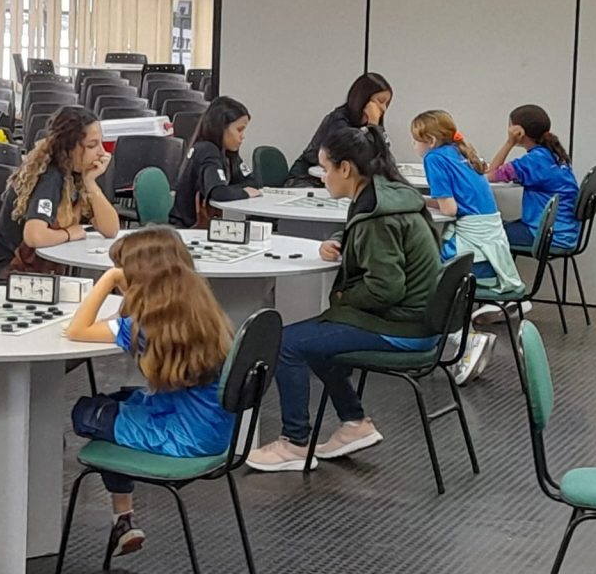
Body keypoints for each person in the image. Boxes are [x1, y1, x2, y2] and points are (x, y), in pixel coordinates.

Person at [246, 127, 440, 472]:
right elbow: (364, 236)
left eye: (325, 169)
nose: (322, 177)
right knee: (319, 337)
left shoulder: (377, 217)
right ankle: (354, 423)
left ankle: (295, 443)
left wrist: (341, 298)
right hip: (418, 318)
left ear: (346, 169)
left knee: (287, 344)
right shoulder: (388, 196)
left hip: (403, 326)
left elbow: (385, 289)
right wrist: (340, 240)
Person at [66, 226, 234, 560]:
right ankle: (123, 521)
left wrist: (108, 279)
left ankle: (124, 516)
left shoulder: (143, 326)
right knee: (117, 402)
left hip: (183, 437)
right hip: (213, 430)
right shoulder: (201, 311)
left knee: (88, 414)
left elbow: (77, 329)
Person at [411, 110, 522, 384]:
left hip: (474, 255)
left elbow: (449, 210)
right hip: (490, 251)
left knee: (422, 277)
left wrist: (420, 202)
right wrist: (425, 200)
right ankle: (463, 338)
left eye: (416, 140)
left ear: (430, 141)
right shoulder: (459, 152)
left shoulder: (434, 159)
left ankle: (465, 339)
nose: (414, 146)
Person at [0, 106, 119, 282]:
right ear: (70, 147)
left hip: (37, 274)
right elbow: (34, 236)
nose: (102, 152)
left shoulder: (76, 175)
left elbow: (111, 230)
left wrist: (91, 183)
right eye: (92, 145)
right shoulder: (50, 177)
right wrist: (69, 234)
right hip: (11, 276)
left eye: (101, 143)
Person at [487, 104, 580, 251]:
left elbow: (490, 174)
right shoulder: (553, 154)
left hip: (547, 235)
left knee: (483, 234)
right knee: (497, 226)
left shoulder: (532, 162)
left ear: (519, 131)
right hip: (564, 231)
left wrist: (509, 142)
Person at [286, 72, 393, 187]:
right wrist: (373, 126)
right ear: (363, 99)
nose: (383, 108)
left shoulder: (371, 123)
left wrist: (375, 128)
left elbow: (383, 158)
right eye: (380, 101)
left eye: (387, 103)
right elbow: (355, 156)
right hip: (307, 180)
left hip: (337, 182)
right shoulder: (338, 121)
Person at [170, 96, 261, 228]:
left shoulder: (226, 152)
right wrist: (244, 192)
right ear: (221, 128)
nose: (243, 136)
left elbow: (253, 182)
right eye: (239, 130)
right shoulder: (207, 150)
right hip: (187, 228)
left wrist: (233, 190)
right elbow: (218, 193)